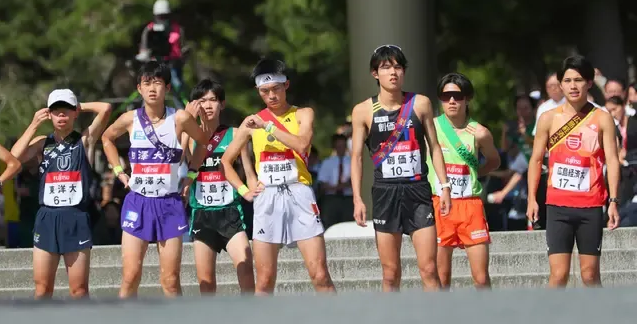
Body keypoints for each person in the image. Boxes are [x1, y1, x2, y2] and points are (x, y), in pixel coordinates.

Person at [221, 58, 336, 295]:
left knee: (320, 275)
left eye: (275, 89)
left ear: (286, 86)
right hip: (267, 197)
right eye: (265, 91)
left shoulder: (302, 114)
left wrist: (269, 127)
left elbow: (303, 144)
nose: (271, 96)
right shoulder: (251, 122)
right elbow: (225, 161)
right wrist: (246, 188)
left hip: (299, 192)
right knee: (264, 280)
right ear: (258, 91)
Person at [101, 61, 209, 298]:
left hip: (169, 204)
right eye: (147, 83)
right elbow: (106, 138)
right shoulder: (130, 119)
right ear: (138, 87)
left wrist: (191, 174)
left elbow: (203, 141)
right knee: (130, 276)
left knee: (170, 281)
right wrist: (119, 171)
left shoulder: (179, 118)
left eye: (158, 83)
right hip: (138, 202)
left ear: (167, 88)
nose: (152, 88)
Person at [350, 44, 452, 292]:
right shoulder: (363, 110)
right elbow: (356, 157)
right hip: (385, 193)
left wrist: (445, 186)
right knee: (390, 273)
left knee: (429, 269)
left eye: (398, 66)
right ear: (375, 73)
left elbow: (435, 146)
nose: (393, 72)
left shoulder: (421, 104)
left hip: (418, 191)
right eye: (386, 67)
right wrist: (357, 199)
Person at [527, 55, 620, 288]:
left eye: (578, 80)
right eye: (567, 80)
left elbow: (613, 160)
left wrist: (614, 200)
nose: (572, 86)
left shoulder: (602, 118)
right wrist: (531, 199)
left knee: (589, 275)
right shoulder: (548, 118)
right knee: (558, 276)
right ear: (560, 84)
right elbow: (536, 159)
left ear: (589, 83)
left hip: (590, 205)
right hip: (558, 206)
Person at [10, 90, 111, 298]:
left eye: (66, 111)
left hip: (75, 217)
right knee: (42, 289)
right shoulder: (41, 143)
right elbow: (13, 157)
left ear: (75, 113)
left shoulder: (85, 139)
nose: (61, 116)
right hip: (47, 217)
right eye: (56, 111)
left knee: (79, 290)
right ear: (49, 114)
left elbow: (106, 108)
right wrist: (33, 125)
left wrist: (80, 106)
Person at [181, 79, 256, 294]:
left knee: (245, 270)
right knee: (206, 282)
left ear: (222, 104)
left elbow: (248, 171)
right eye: (202, 101)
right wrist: (187, 120)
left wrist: (253, 191)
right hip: (202, 214)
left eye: (213, 100)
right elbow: (175, 158)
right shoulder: (189, 134)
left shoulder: (234, 133)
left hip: (231, 212)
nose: (207, 106)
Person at [427, 73, 501, 289]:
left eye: (457, 96)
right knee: (441, 277)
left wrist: (476, 174)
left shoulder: (480, 133)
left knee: (480, 278)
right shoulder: (430, 127)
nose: (451, 101)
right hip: (440, 204)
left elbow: (494, 161)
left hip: (470, 206)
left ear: (467, 98)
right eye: (445, 95)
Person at [136, 0, 186, 105]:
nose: (162, 19)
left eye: (165, 16)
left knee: (178, 91)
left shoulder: (177, 29)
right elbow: (143, 49)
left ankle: (184, 116)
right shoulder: (149, 30)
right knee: (149, 93)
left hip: (172, 65)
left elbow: (181, 48)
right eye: (160, 16)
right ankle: (145, 117)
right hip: (154, 66)